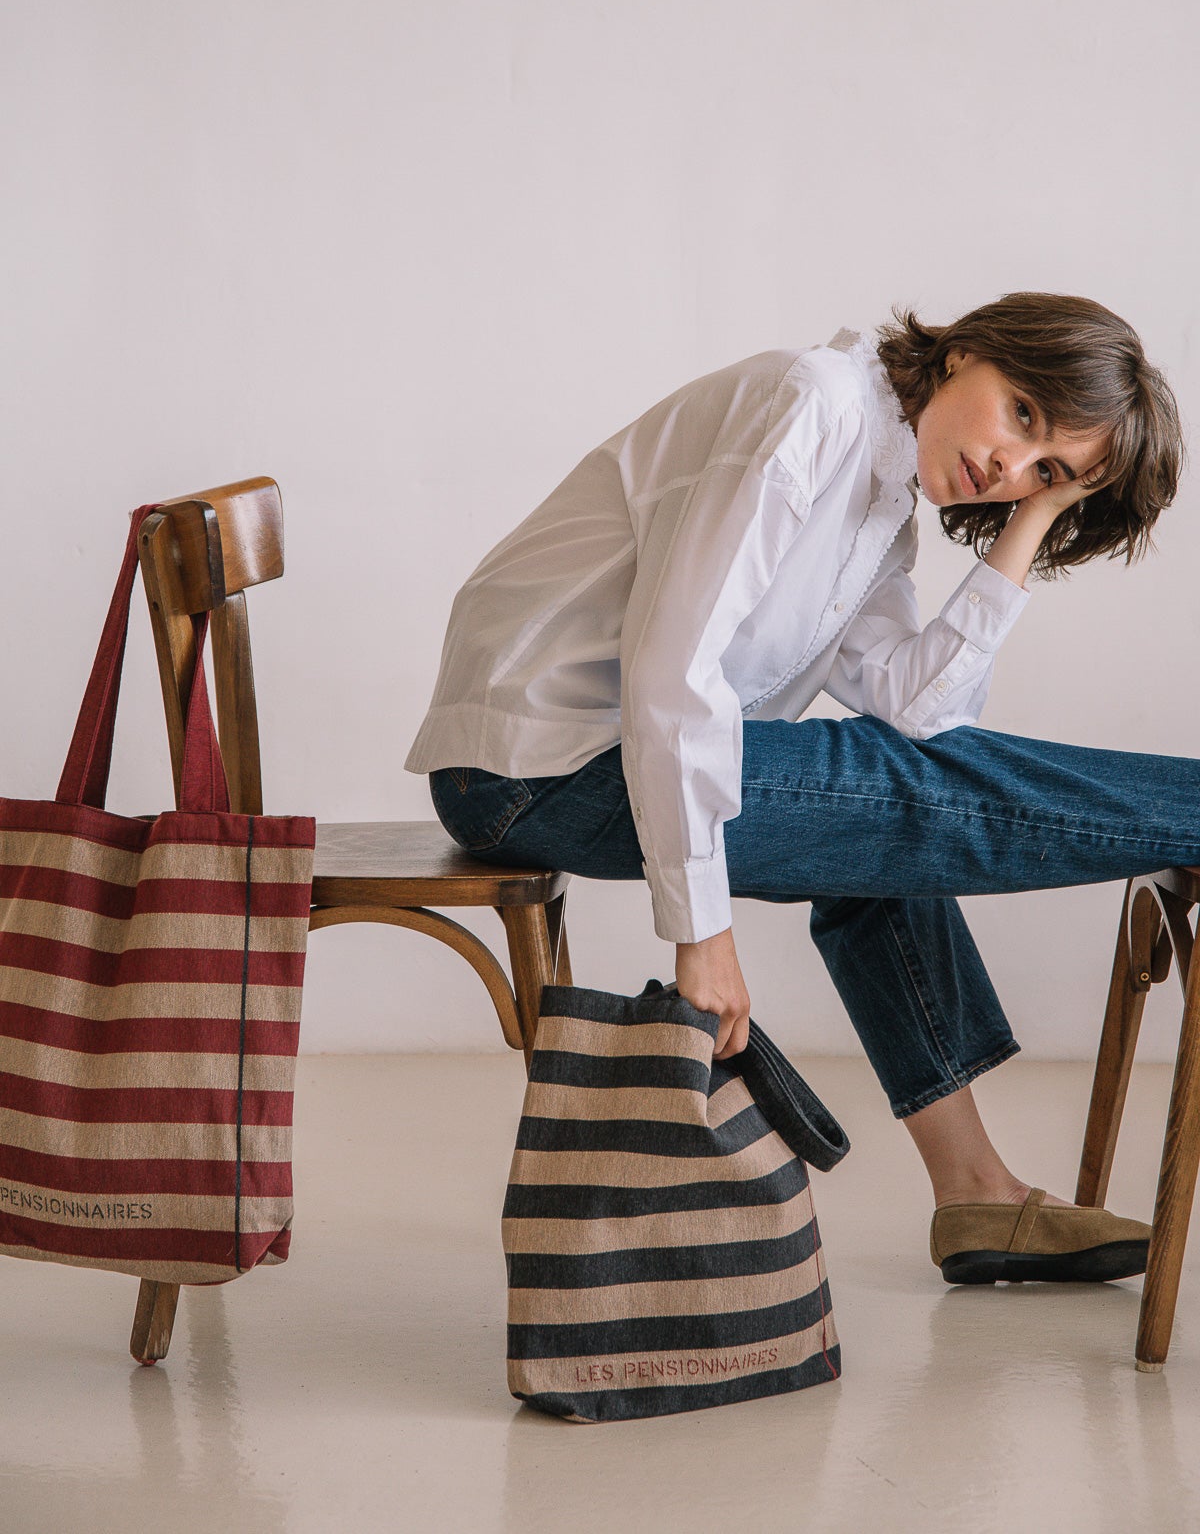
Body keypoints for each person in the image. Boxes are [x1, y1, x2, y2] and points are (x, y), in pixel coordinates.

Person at [405, 292, 1190, 1285]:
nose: (1007, 464)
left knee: (885, 811)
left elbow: (919, 707)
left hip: (575, 757)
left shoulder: (881, 503)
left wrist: (1027, 522)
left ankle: (979, 1196)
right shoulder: (811, 407)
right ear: (967, 356)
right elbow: (671, 670)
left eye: (1049, 471)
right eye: (1024, 416)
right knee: (894, 793)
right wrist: (703, 934)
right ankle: (1190, 809)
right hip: (527, 766)